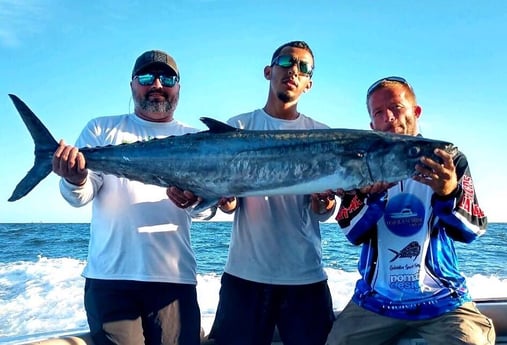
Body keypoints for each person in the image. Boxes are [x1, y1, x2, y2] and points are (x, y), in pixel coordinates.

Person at [168, 41, 336, 345]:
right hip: (245, 279)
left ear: (309, 83)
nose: (293, 71)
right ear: (268, 71)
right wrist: (226, 202)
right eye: (285, 62)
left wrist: (324, 205)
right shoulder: (239, 126)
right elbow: (226, 205)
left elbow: (323, 213)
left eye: (303, 67)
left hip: (306, 278)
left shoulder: (322, 134)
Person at [325, 76, 496, 345]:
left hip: (443, 302)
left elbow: (471, 230)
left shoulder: (447, 159)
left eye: (396, 107)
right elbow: (352, 232)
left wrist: (448, 192)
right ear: (372, 124)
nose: (389, 117)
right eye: (379, 113)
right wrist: (373, 199)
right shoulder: (358, 165)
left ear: (416, 112)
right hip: (375, 303)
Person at [52, 50, 205, 345]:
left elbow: (207, 209)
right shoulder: (101, 128)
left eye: (167, 78)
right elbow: (80, 196)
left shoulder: (198, 138)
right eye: (147, 77)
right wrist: (74, 178)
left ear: (178, 87)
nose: (157, 84)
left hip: (173, 279)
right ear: (132, 85)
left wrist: (196, 201)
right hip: (110, 279)